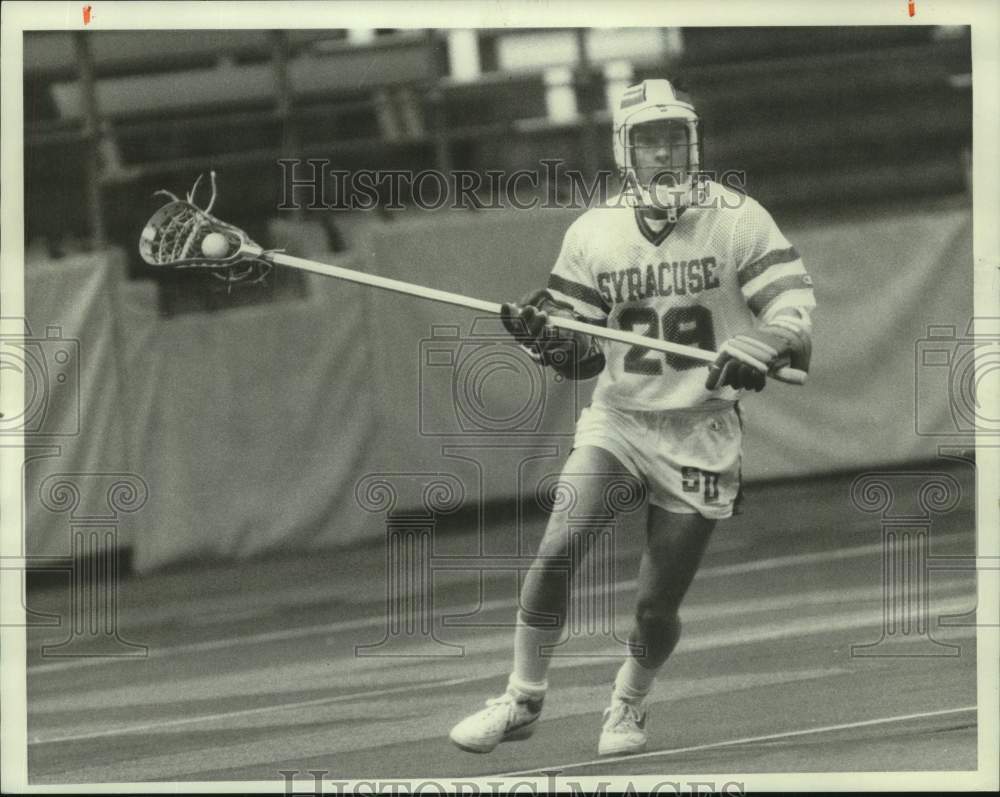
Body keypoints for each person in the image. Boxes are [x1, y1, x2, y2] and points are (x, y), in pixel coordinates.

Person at [449, 79, 815, 757]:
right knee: (557, 549)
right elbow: (582, 360)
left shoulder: (738, 217)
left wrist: (763, 342)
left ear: (694, 143)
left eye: (676, 138)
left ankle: (628, 702)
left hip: (701, 430)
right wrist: (544, 336)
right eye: (651, 141)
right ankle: (523, 697)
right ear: (627, 152)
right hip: (619, 420)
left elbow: (792, 313)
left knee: (655, 605)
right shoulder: (594, 232)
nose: (665, 152)